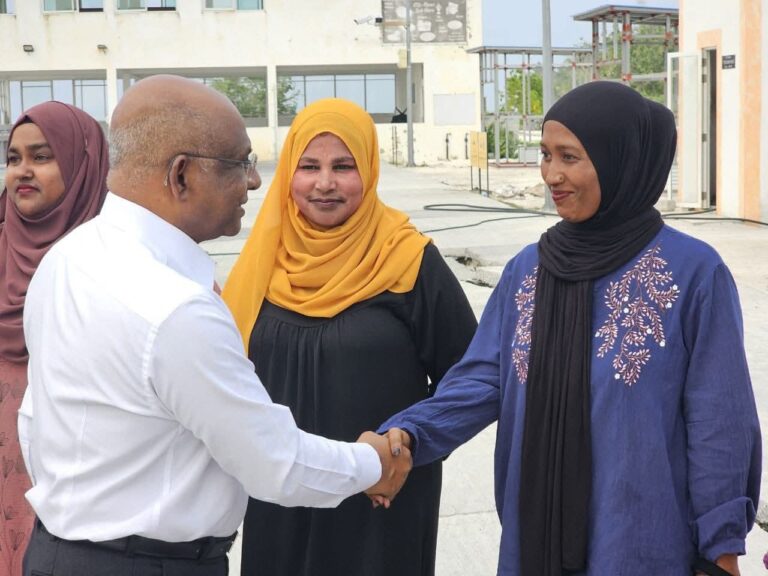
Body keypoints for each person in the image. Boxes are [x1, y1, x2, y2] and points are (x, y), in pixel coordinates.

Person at [17, 75, 411, 576]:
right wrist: (374, 463)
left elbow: (34, 420)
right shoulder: (174, 307)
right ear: (181, 175)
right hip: (149, 564)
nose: (254, 181)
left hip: (57, 552)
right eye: (239, 163)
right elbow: (273, 462)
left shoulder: (66, 258)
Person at [380, 81, 762, 576]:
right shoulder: (528, 270)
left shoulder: (693, 273)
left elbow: (720, 422)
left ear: (620, 161)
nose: (552, 175)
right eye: (545, 155)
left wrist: (720, 548)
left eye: (570, 157)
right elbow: (481, 379)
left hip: (644, 545)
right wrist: (408, 433)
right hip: (535, 543)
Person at [222, 98, 477, 576]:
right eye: (309, 167)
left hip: (379, 501)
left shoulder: (409, 260)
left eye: (343, 166)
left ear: (369, 168)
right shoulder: (263, 260)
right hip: (282, 500)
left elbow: (472, 379)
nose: (324, 183)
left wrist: (411, 439)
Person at [0, 101, 108, 576]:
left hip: (83, 482)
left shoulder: (120, 259)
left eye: (42, 156)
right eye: (13, 158)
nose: (23, 170)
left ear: (83, 165)